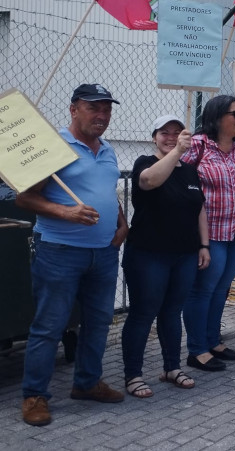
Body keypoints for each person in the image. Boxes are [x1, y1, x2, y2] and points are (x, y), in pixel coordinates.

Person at [18, 84, 129, 427]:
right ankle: (34, 395)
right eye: (94, 108)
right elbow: (24, 198)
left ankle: (86, 383)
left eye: (107, 109)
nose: (102, 115)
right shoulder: (54, 147)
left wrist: (122, 222)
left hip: (103, 254)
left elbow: (107, 190)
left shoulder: (108, 149)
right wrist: (65, 213)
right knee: (49, 326)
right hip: (60, 252)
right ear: (73, 110)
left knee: (97, 323)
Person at [121, 115, 210, 399]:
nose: (171, 136)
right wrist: (177, 151)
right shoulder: (145, 163)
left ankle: (171, 367)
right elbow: (150, 182)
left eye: (176, 132)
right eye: (164, 132)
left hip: (183, 254)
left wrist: (204, 245)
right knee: (142, 314)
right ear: (154, 137)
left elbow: (199, 209)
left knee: (172, 313)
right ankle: (133, 374)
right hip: (149, 254)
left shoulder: (189, 170)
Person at [181, 95, 235, 372]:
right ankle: (197, 350)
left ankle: (212, 340)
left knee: (220, 289)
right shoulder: (197, 146)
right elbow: (178, 178)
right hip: (210, 234)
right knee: (203, 290)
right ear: (217, 118)